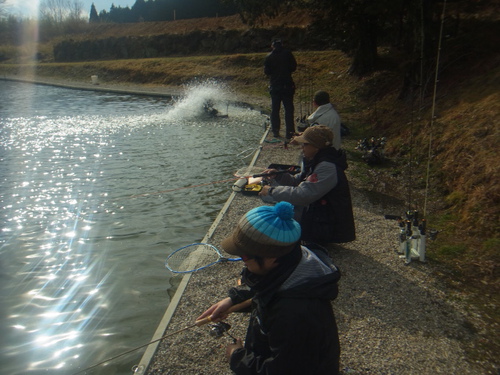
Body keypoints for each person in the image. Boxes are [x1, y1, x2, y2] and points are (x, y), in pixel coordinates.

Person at [197, 201, 341, 375]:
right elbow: (268, 291)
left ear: (270, 258)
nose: (242, 263)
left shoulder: (294, 314)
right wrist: (233, 299)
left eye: (244, 256)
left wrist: (237, 356)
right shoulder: (292, 259)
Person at [259, 125, 355, 245]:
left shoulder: (327, 167)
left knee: (273, 228)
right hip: (318, 214)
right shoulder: (317, 160)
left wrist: (271, 191)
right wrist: (278, 175)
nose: (302, 148)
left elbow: (303, 195)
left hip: (325, 224)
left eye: (305, 144)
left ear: (316, 147)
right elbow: (298, 181)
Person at [264, 39, 297, 140]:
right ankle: (290, 132)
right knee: (289, 110)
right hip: (287, 85)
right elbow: (294, 67)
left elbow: (266, 72)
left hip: (275, 86)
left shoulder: (268, 56)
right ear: (282, 45)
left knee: (275, 109)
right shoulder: (288, 54)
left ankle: (275, 131)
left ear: (272, 46)